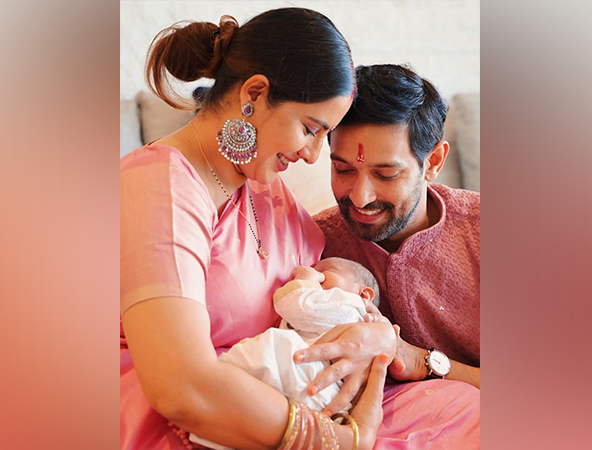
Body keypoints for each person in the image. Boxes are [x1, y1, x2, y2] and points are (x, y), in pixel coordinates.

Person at [121, 8, 394, 450]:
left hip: (291, 395)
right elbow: (180, 386)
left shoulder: (263, 184)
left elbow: (323, 303)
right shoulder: (160, 186)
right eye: (310, 129)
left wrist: (379, 336)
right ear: (255, 93)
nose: (312, 155)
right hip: (192, 423)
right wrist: (338, 442)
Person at [313, 64, 481, 392]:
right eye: (343, 169)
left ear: (432, 163)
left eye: (386, 174)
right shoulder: (314, 243)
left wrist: (417, 360)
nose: (360, 198)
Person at [191, 257, 389, 449]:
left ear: (363, 294)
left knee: (270, 349)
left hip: (313, 380)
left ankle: (209, 418)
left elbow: (297, 306)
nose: (317, 274)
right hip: (320, 395)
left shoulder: (348, 305)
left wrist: (306, 280)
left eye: (324, 272)